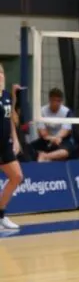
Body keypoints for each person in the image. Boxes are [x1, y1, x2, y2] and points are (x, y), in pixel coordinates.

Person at [0, 64, 23, 230]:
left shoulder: (6, 96)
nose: (0, 75)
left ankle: (1, 214)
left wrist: (15, 139)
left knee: (17, 177)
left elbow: (9, 120)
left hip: (4, 145)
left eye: (1, 71)